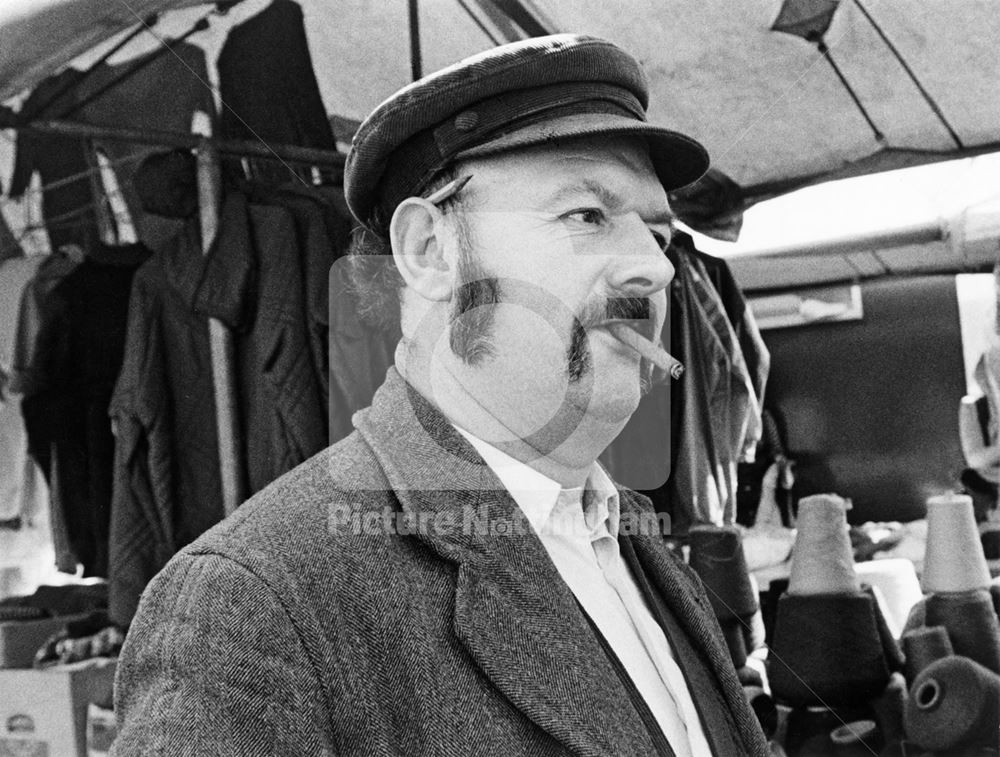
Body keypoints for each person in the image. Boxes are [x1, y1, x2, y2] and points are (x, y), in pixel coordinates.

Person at [111, 35, 768, 756]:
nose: (655, 268)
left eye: (657, 232)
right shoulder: (251, 603)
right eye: (587, 215)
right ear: (429, 250)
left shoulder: (634, 538)